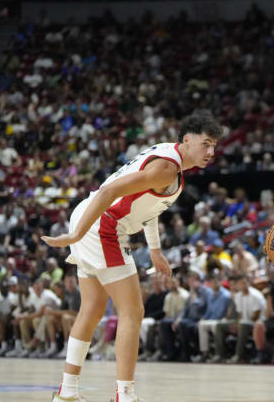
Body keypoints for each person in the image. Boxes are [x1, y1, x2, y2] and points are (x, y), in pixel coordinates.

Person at [41, 113, 222, 402]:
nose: (211, 152)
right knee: (133, 311)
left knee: (92, 309)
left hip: (93, 217)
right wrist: (76, 235)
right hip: (102, 224)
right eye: (206, 144)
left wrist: (155, 250)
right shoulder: (166, 168)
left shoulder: (168, 156)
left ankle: (67, 393)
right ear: (187, 140)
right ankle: (124, 396)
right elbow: (109, 190)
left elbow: (147, 208)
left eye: (214, 146)